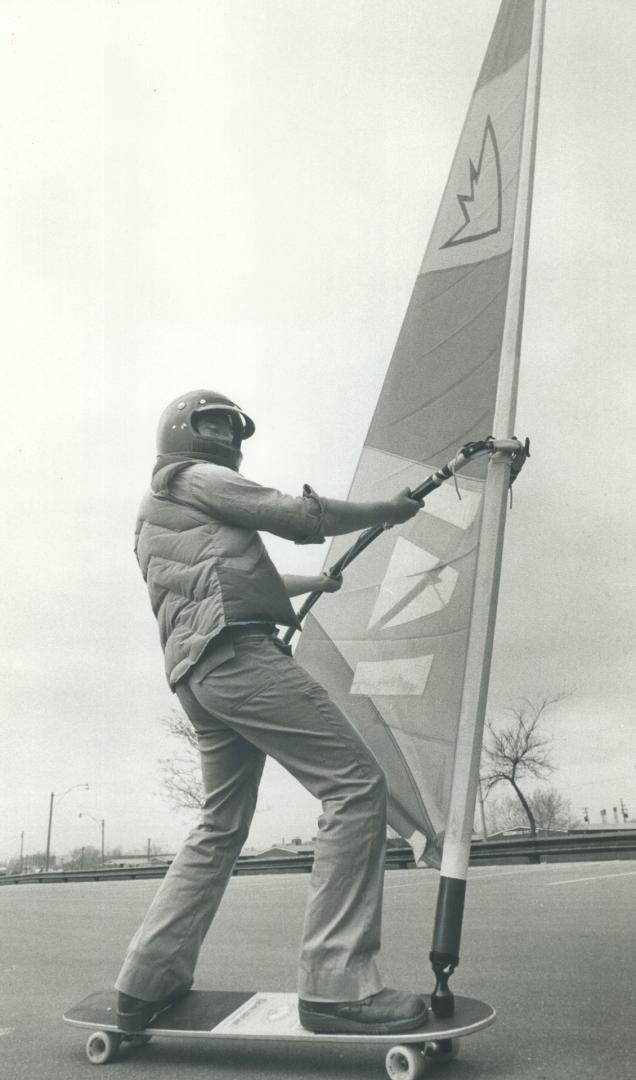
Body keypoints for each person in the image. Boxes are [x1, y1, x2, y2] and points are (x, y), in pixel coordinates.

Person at [115, 389, 428, 1036]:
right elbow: (293, 516)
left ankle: (146, 981)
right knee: (355, 785)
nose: (228, 436)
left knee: (220, 826)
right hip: (237, 657)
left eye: (234, 427)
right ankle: (336, 984)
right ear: (181, 431)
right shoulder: (197, 476)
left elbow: (226, 576)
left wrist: (312, 584)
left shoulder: (154, 514)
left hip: (196, 676)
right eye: (214, 423)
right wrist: (387, 511)